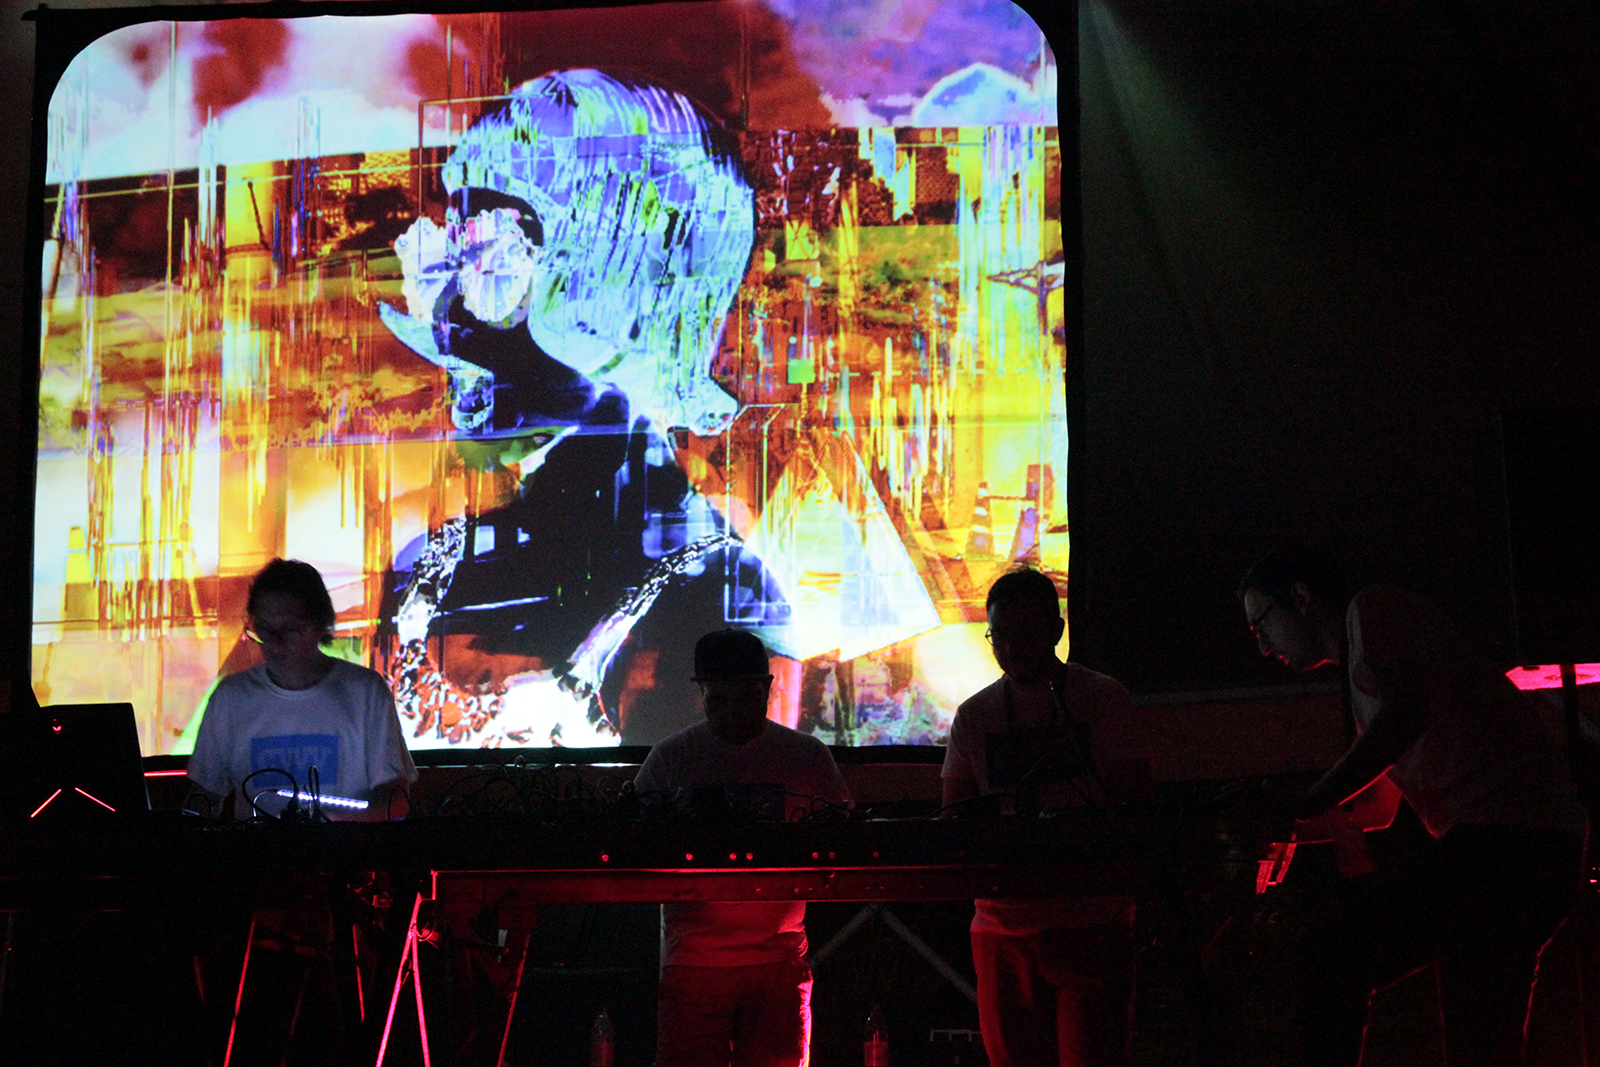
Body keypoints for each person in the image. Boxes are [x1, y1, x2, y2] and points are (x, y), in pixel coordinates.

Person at [1239, 543, 1588, 1067]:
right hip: (1534, 847)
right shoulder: (1370, 664)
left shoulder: (1372, 611)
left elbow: (1402, 720)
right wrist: (1289, 824)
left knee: (1330, 953)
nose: (1263, 646)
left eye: (1261, 623)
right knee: (1481, 1040)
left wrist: (1308, 800)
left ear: (1301, 598)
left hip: (1502, 843)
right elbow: (1379, 806)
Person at [941, 567, 1147, 1067]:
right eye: (1001, 638)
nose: (1012, 650)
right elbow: (953, 817)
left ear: (1056, 631)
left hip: (1092, 922)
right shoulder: (975, 715)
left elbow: (1134, 806)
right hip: (1004, 927)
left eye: (1026, 635)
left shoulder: (1104, 699)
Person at [632, 628, 850, 1067]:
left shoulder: (804, 756)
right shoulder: (673, 757)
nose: (733, 714)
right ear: (702, 692)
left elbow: (843, 839)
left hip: (763, 961)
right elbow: (634, 841)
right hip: (706, 963)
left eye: (745, 701)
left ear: (766, 688)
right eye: (720, 702)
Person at [187, 558, 418, 821]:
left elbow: (396, 799)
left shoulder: (365, 693)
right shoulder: (230, 699)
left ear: (320, 624)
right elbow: (204, 797)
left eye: (290, 630)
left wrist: (336, 827)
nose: (275, 644)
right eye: (264, 630)